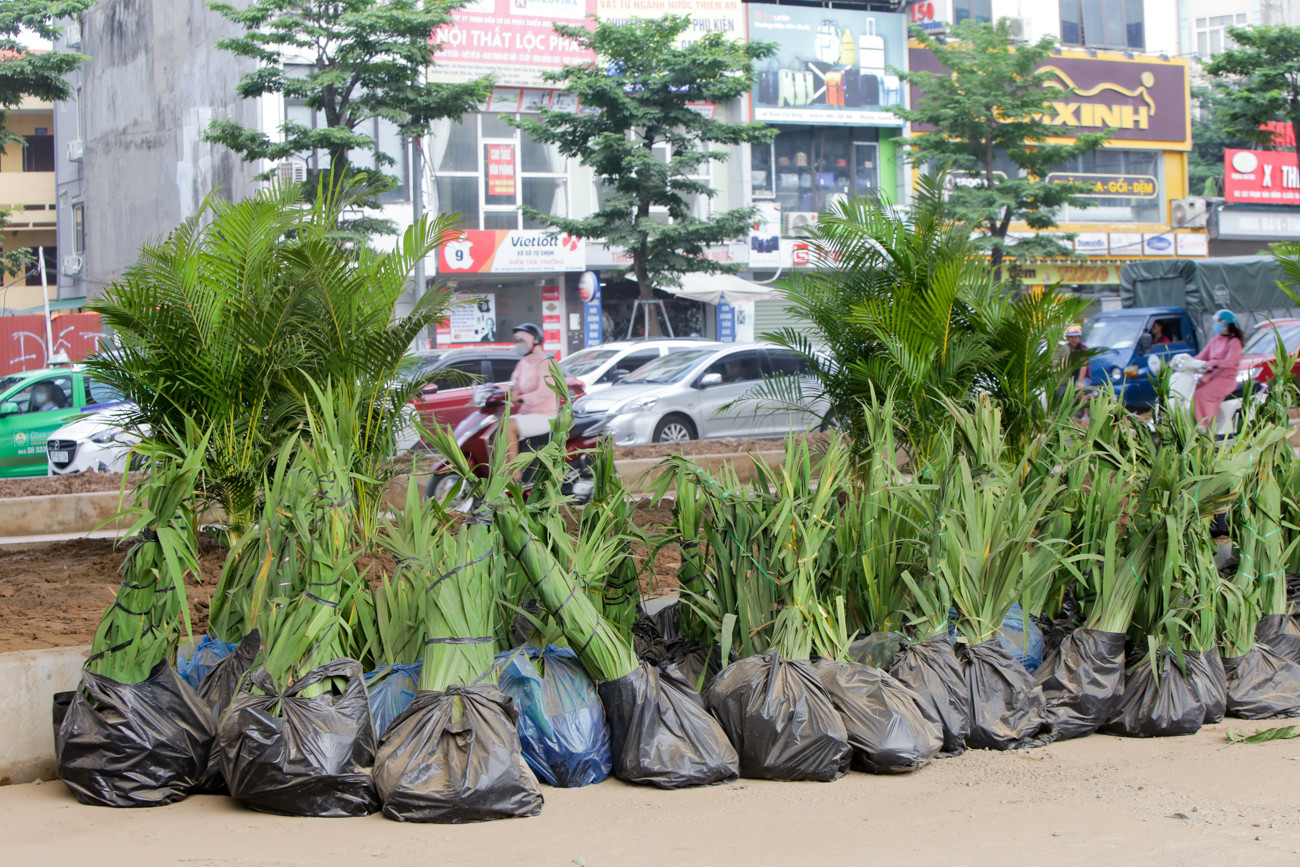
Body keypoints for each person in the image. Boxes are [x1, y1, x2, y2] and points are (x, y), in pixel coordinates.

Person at [505, 322, 561, 463]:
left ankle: (512, 473)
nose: (518, 344)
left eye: (521, 341)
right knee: (495, 430)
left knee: (509, 426)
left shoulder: (545, 363)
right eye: (516, 341)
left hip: (545, 415)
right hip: (527, 414)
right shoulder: (522, 364)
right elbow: (514, 386)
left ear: (535, 341)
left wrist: (521, 399)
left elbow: (545, 391)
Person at [1193, 309, 1245, 427]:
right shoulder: (1214, 341)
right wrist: (1186, 361)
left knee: (1201, 394)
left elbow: (1231, 362)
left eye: (1220, 322)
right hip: (1212, 377)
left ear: (1228, 324)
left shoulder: (1234, 342)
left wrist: (1215, 363)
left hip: (1226, 379)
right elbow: (1201, 357)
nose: (1217, 325)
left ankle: (1206, 427)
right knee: (1192, 391)